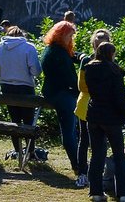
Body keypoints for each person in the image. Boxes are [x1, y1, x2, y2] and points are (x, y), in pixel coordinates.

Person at [85, 41, 125, 202]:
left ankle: (96, 192)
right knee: (119, 155)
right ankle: (124, 193)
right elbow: (120, 98)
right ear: (111, 54)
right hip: (111, 117)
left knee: (97, 154)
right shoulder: (114, 71)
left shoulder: (89, 68)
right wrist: (124, 116)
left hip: (94, 114)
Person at [0, 25, 42, 161]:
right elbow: (36, 71)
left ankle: (18, 151)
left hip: (6, 87)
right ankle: (31, 152)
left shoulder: (1, 46)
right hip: (25, 87)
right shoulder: (28, 47)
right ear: (22, 35)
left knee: (14, 121)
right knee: (28, 122)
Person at [75, 29, 112, 188]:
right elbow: (82, 86)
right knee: (84, 140)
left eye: (104, 39)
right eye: (98, 39)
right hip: (86, 106)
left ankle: (98, 174)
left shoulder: (111, 63)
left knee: (102, 142)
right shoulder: (87, 61)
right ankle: (82, 173)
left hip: (104, 107)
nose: (100, 41)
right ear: (93, 42)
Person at [42, 21, 80, 176]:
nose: (71, 39)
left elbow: (70, 58)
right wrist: (81, 90)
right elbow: (69, 78)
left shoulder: (52, 49)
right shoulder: (59, 54)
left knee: (70, 131)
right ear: (62, 35)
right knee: (69, 132)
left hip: (53, 92)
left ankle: (78, 162)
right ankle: (77, 164)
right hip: (62, 95)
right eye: (70, 36)